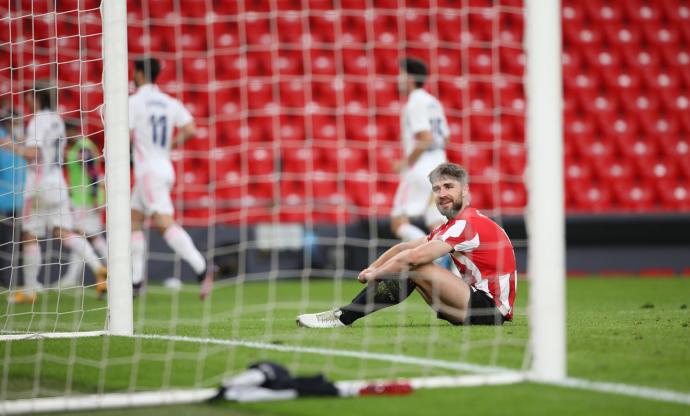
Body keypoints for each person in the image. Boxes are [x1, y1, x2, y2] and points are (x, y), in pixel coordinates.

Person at [297, 163, 517, 327]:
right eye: (437, 189)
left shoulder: (468, 224)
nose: (442, 194)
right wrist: (374, 267)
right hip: (471, 304)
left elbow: (412, 258)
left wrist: (376, 275)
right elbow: (403, 248)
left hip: (490, 309)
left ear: (465, 190)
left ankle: (343, 316)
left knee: (416, 265)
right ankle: (344, 315)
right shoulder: (455, 225)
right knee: (411, 263)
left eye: (448, 187)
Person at [1, 84, 107, 303]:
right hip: (58, 182)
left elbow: (34, 153)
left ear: (35, 98)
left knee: (29, 235)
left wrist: (10, 145)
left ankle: (30, 290)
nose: (27, 100)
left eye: (29, 96)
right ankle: (99, 269)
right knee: (64, 232)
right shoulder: (58, 120)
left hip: (38, 185)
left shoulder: (37, 121)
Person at [128, 57, 214, 299]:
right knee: (134, 219)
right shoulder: (169, 102)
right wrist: (169, 145)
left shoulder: (134, 102)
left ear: (139, 74)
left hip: (148, 171)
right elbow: (191, 129)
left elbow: (124, 134)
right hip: (164, 165)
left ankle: (202, 268)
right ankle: (135, 281)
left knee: (163, 221)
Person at [390, 57, 450, 243]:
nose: (397, 79)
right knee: (436, 222)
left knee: (398, 221)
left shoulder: (414, 102)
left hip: (420, 169)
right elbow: (445, 137)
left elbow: (425, 137)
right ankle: (449, 263)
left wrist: (405, 163)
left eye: (400, 74)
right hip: (441, 167)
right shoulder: (433, 102)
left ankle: (435, 256)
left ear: (409, 78)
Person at [58, 118, 108, 288]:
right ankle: (72, 277)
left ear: (71, 130)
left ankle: (72, 278)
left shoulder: (83, 148)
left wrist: (94, 196)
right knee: (88, 236)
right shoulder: (79, 146)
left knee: (85, 236)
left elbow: (93, 173)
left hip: (86, 198)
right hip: (81, 198)